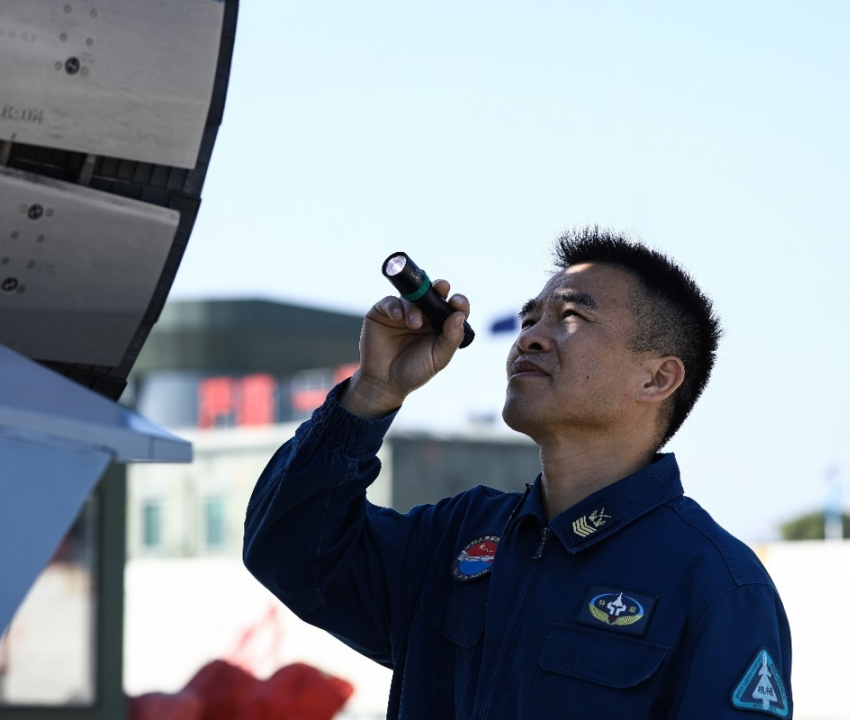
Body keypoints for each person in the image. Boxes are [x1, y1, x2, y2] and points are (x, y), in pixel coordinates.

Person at [244, 228, 793, 719]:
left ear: (657, 379)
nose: (529, 337)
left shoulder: (717, 585)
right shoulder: (454, 536)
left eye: (572, 317)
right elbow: (288, 551)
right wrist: (372, 392)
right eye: (530, 319)